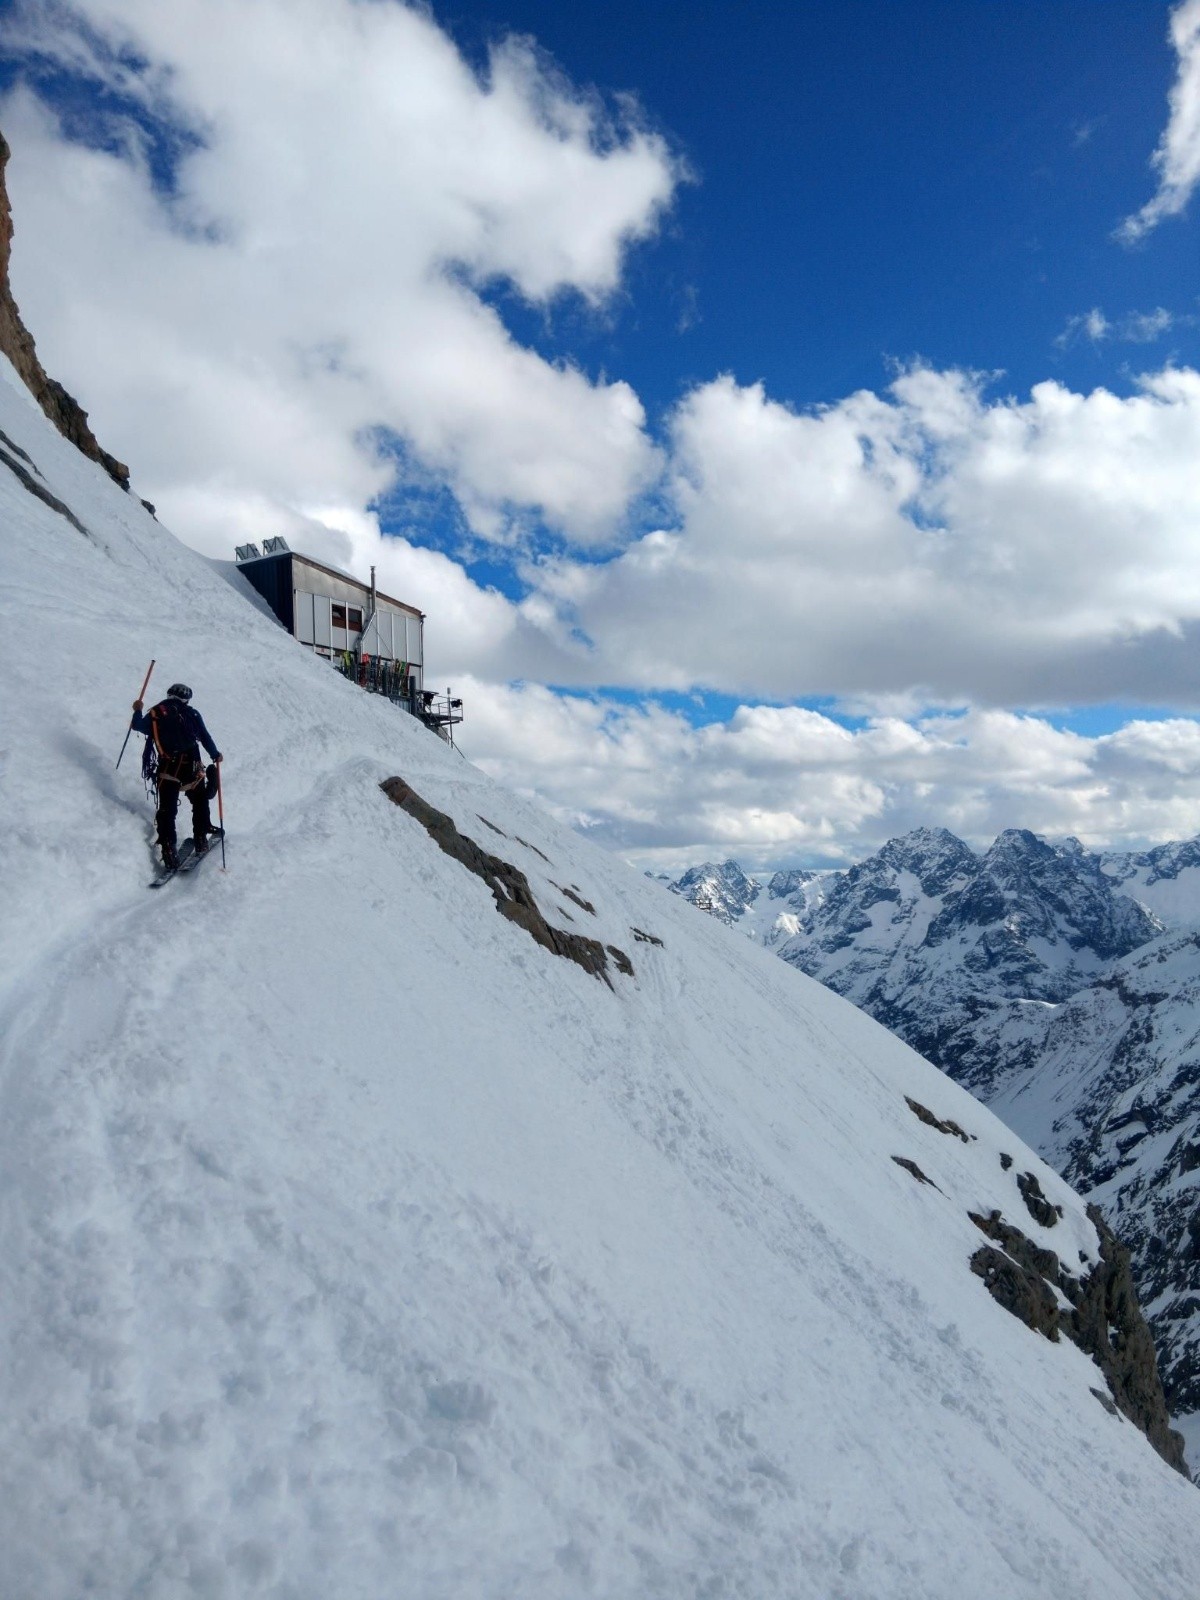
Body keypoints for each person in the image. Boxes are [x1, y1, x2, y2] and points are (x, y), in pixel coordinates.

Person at [131, 683, 222, 870]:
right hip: (191, 766)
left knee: (167, 809)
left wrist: (137, 710)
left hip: (168, 767)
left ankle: (168, 849)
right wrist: (215, 754)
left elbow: (138, 726)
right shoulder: (192, 714)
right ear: (186, 699)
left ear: (169, 695)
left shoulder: (156, 713)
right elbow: (204, 736)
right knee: (199, 800)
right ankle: (200, 838)